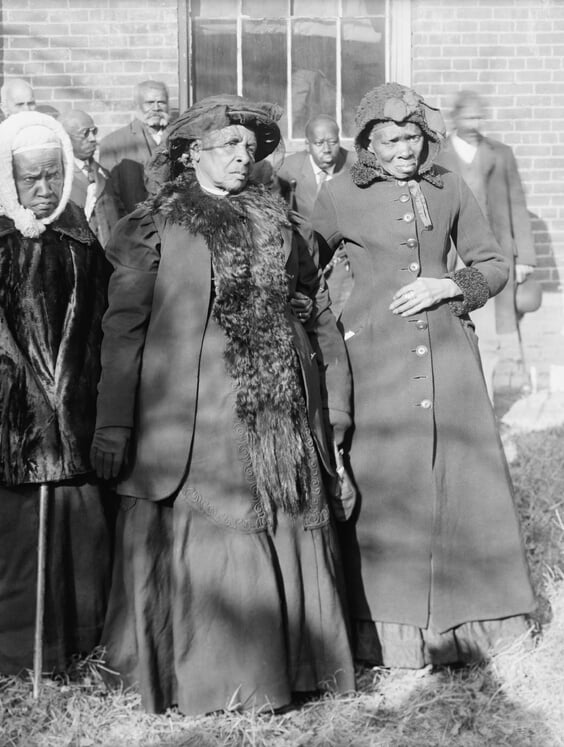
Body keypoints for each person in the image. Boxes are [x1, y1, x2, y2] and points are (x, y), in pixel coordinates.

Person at [91, 94, 355, 715]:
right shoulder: (156, 224)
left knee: (283, 506)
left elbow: (314, 312)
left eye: (249, 147)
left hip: (281, 405)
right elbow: (123, 328)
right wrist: (114, 422)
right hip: (195, 410)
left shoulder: (280, 221)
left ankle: (294, 664)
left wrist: (334, 404)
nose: (243, 157)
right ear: (191, 154)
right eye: (227, 146)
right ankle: (214, 676)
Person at [310, 82, 536, 668]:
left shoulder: (450, 185)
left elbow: (493, 262)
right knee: (388, 485)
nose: (405, 150)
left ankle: (477, 622)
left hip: (450, 355)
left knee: (463, 482)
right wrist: (338, 327)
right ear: (368, 144)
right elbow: (301, 270)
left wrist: (448, 285)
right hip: (377, 360)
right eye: (390, 140)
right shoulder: (337, 194)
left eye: (412, 137)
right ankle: (390, 632)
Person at [0, 111, 111, 676]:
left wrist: (70, 391)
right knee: (3, 537)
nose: (46, 187)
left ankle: (76, 642)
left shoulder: (77, 230)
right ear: (6, 175)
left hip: (71, 416)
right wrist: (28, 389)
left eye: (54, 174)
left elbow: (98, 319)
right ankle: (0, 649)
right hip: (1, 423)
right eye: (32, 177)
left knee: (76, 533)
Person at [435, 90, 537, 398]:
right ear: (455, 118)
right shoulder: (439, 156)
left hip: (493, 251)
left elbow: (516, 203)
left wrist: (524, 257)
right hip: (452, 253)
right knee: (452, 325)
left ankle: (491, 399)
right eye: (468, 116)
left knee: (492, 332)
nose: (474, 122)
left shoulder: (500, 154)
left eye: (479, 116)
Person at [277, 115, 357, 314]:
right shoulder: (287, 169)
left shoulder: (356, 166)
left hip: (345, 260)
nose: (327, 149)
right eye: (319, 143)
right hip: (305, 256)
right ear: (307, 144)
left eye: (333, 142)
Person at [98, 80, 171, 217]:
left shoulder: (180, 138)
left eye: (161, 102)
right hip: (134, 228)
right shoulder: (113, 143)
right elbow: (110, 199)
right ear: (137, 105)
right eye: (149, 103)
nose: (156, 108)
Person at [59, 109, 119, 246]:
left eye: (94, 131)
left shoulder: (103, 173)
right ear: (65, 138)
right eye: (85, 133)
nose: (93, 139)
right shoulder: (60, 178)